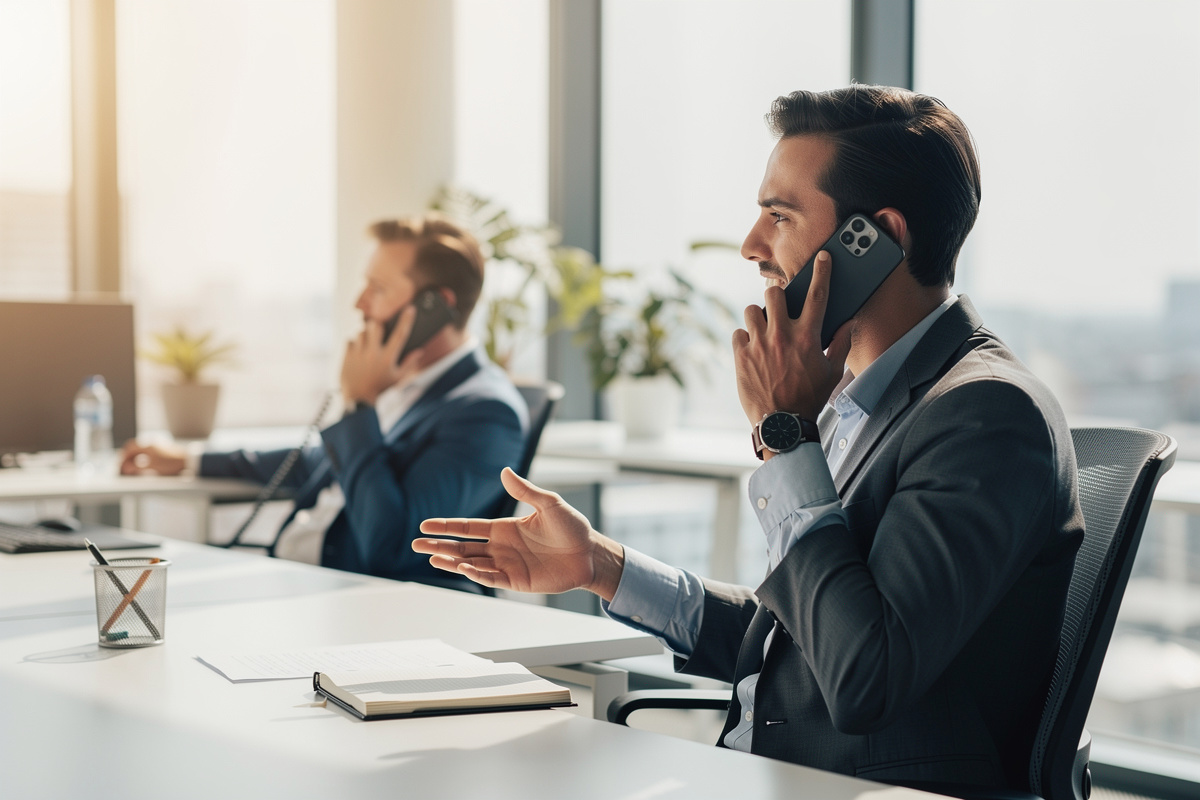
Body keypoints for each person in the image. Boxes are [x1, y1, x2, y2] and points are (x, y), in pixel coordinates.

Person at [413, 85, 1084, 791]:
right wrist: (603, 566)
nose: (751, 246)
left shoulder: (986, 414)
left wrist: (787, 437)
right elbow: (800, 643)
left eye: (779, 215)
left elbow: (864, 677)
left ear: (876, 239)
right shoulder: (860, 404)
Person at [122, 213, 528, 592]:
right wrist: (190, 460)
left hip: (360, 601)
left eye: (378, 289)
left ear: (434, 306)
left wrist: (360, 405)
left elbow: (392, 546)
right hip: (297, 579)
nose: (359, 303)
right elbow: (315, 462)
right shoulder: (403, 386)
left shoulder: (486, 413)